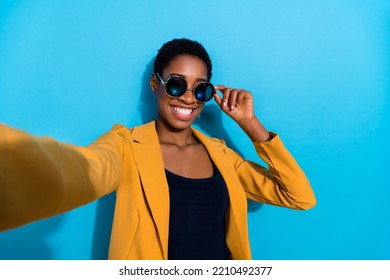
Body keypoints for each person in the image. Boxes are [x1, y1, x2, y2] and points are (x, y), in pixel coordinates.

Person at [0, 38, 316, 260]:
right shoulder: (125, 146)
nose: (188, 98)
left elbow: (299, 196)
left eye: (201, 89)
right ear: (156, 85)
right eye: (177, 84)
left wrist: (250, 124)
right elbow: (84, 170)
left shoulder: (221, 156)